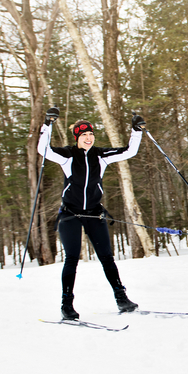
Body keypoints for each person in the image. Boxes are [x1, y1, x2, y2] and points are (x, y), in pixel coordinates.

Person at [37, 107, 146, 319]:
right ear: (77, 137)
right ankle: (66, 305)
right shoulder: (67, 156)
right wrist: (47, 124)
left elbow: (129, 151)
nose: (88, 138)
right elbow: (44, 150)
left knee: (106, 256)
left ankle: (121, 298)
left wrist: (136, 131)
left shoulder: (101, 155)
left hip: (94, 213)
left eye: (91, 134)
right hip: (70, 214)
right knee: (71, 258)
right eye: (84, 134)